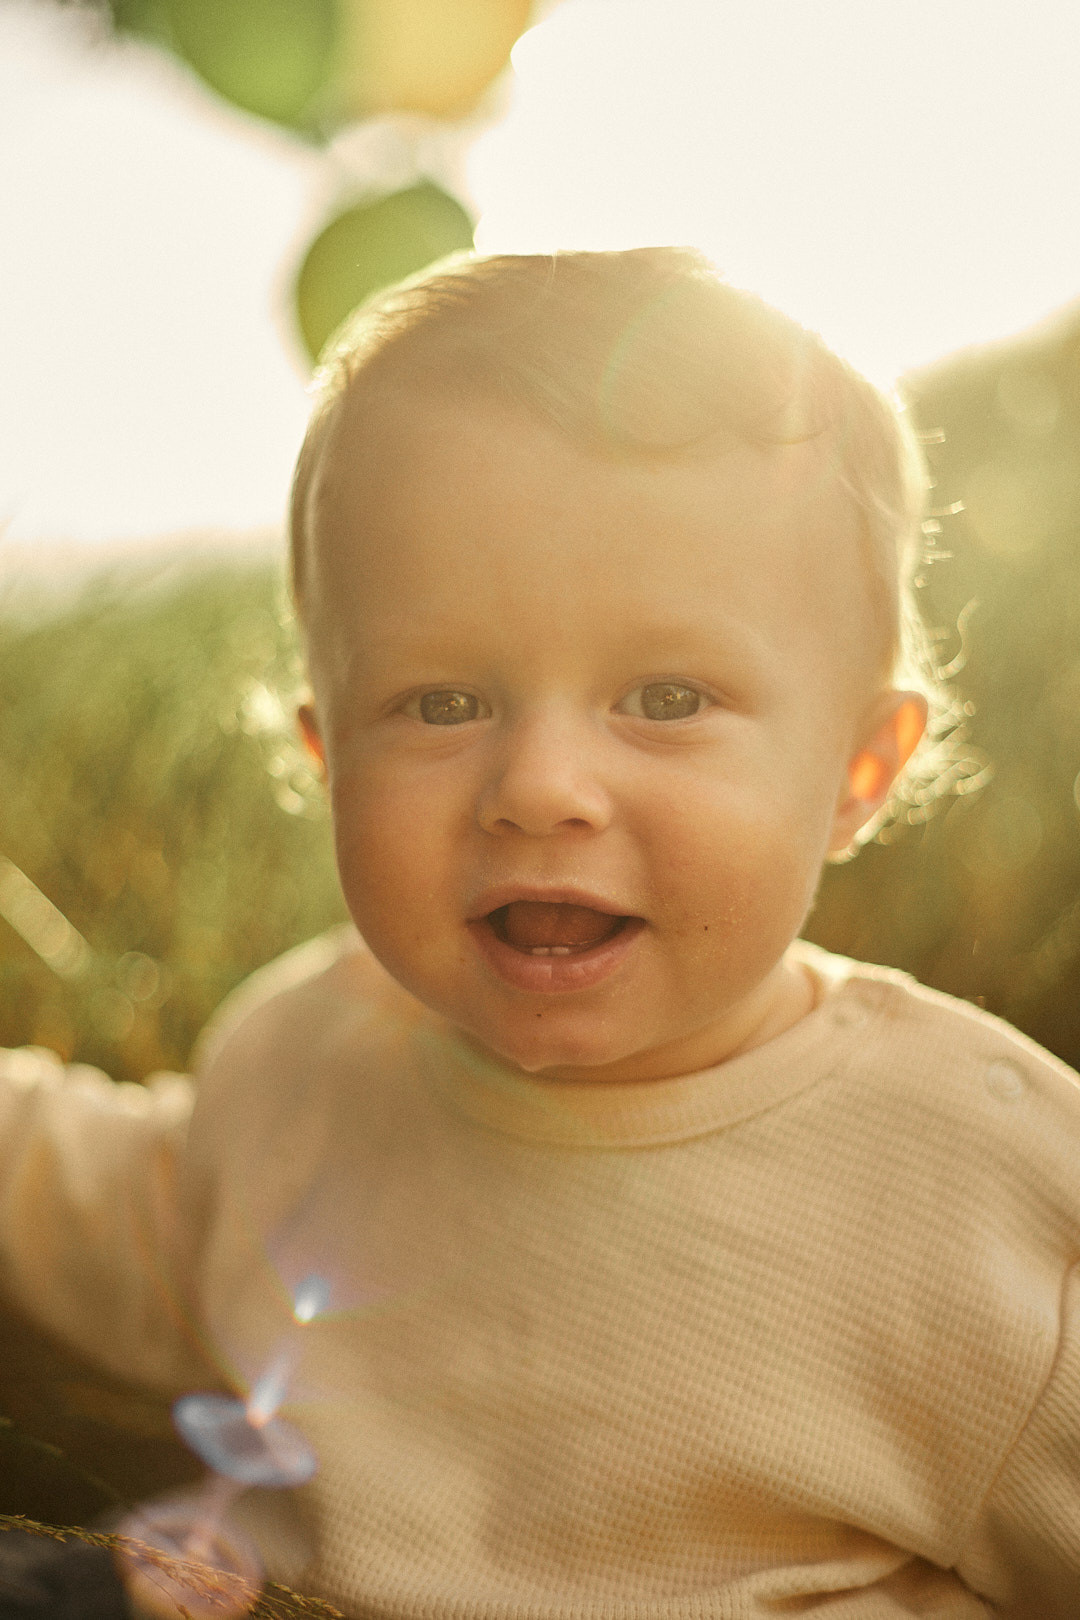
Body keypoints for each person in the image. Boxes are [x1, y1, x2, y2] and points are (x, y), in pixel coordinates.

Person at [2, 248, 1078, 1618]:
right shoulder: (316, 1058)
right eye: (443, 704)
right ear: (329, 758)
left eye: (667, 695)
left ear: (859, 771)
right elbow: (141, 1215)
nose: (540, 789)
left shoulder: (985, 1202)